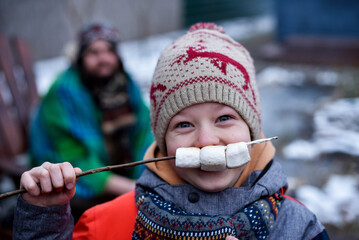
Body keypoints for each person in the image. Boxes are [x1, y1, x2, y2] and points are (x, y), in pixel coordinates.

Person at [14, 23, 329, 239]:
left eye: (224, 118)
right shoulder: (103, 227)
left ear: (253, 130)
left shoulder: (300, 228)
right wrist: (43, 219)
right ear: (163, 141)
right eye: (184, 125)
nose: (206, 142)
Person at [27, 23, 153, 219]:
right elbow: (73, 158)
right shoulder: (64, 93)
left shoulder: (125, 84)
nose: (103, 59)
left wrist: (147, 179)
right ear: (81, 57)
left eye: (109, 51)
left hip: (123, 177)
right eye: (94, 52)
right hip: (75, 182)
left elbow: (145, 131)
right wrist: (133, 188)